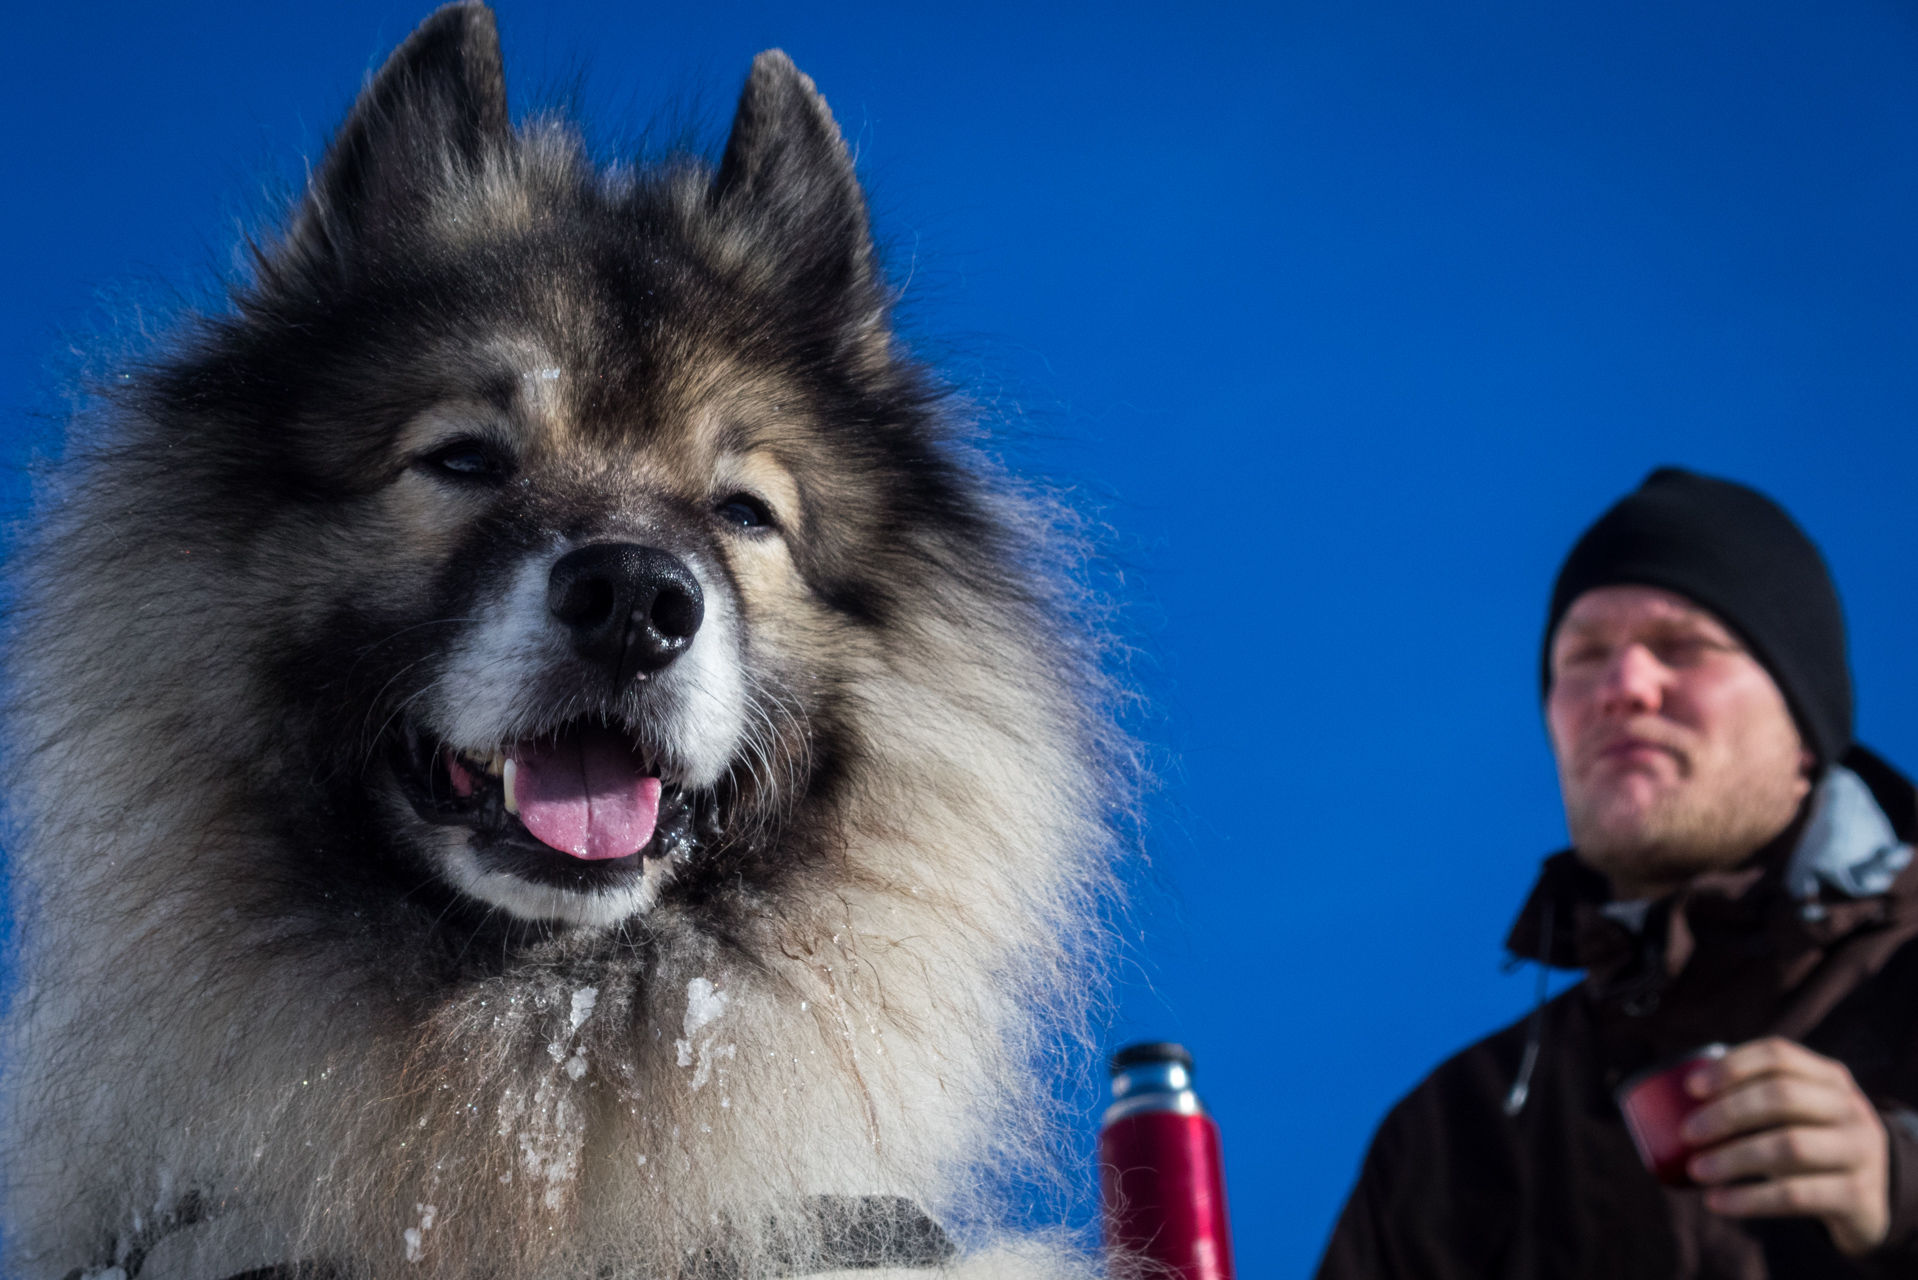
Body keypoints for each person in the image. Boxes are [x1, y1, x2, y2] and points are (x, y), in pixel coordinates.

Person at [1317, 468, 1918, 1278]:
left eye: (1685, 647)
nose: (1622, 687)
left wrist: (1900, 1189)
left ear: (1805, 722)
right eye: (1583, 655)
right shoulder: (1447, 1139)